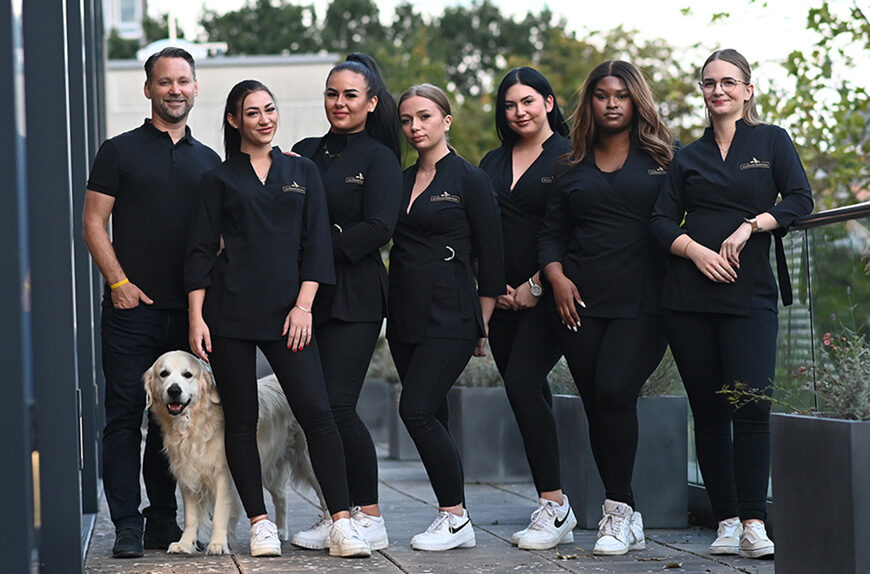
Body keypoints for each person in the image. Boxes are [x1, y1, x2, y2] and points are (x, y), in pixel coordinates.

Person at [185, 80, 371, 558]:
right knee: (241, 421)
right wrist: (197, 319)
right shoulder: (218, 179)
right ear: (234, 120)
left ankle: (342, 522)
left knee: (318, 413)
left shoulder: (301, 171)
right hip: (229, 315)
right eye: (253, 113)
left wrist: (304, 306)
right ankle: (260, 523)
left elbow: (317, 246)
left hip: (291, 316)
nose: (265, 119)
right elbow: (201, 253)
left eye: (270, 110)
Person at [650, 49, 813, 560]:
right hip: (689, 298)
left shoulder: (771, 141)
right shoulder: (687, 156)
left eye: (728, 82)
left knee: (752, 406)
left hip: (751, 296)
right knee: (710, 410)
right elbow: (659, 223)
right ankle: (724, 519)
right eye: (709, 83)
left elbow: (800, 199)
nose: (717, 91)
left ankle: (753, 522)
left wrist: (751, 224)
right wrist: (694, 251)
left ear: (746, 89)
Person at [82, 47, 221, 558]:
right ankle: (126, 524)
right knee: (123, 418)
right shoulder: (117, 151)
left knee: (176, 420)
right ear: (148, 90)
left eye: (183, 81)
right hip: (130, 313)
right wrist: (118, 284)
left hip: (186, 316)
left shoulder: (210, 162)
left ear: (195, 87)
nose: (175, 90)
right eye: (164, 82)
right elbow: (94, 221)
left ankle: (162, 519)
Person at [538, 60, 674, 555]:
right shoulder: (568, 166)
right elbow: (551, 234)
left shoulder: (666, 159)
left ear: (637, 99)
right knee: (598, 402)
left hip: (644, 302)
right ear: (589, 102)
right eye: (602, 94)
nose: (612, 102)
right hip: (578, 303)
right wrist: (555, 278)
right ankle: (626, 513)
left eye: (621, 94)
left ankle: (616, 510)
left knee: (616, 389)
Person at [290, 52, 402, 551]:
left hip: (354, 296)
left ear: (371, 102)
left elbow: (379, 228)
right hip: (303, 297)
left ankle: (369, 514)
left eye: (350, 95)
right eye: (332, 93)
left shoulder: (379, 158)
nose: (339, 103)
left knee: (338, 406)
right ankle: (336, 509)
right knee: (315, 410)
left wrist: (318, 247)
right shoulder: (302, 151)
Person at [389, 84, 505, 551]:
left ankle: (455, 517)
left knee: (413, 409)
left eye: (424, 117)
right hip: (403, 317)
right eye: (406, 120)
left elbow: (493, 257)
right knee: (432, 414)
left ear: (446, 120)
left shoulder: (469, 179)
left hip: (451, 315)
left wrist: (483, 321)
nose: (415, 127)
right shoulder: (398, 180)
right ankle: (452, 514)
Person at [478, 67, 576, 550]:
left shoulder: (572, 156)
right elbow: (480, 229)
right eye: (511, 105)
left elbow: (576, 227)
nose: (519, 112)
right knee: (529, 389)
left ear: (549, 102)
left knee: (521, 383)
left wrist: (536, 285)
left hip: (549, 296)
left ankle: (554, 504)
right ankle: (555, 500)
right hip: (501, 302)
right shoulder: (491, 162)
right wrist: (491, 289)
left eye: (529, 102)